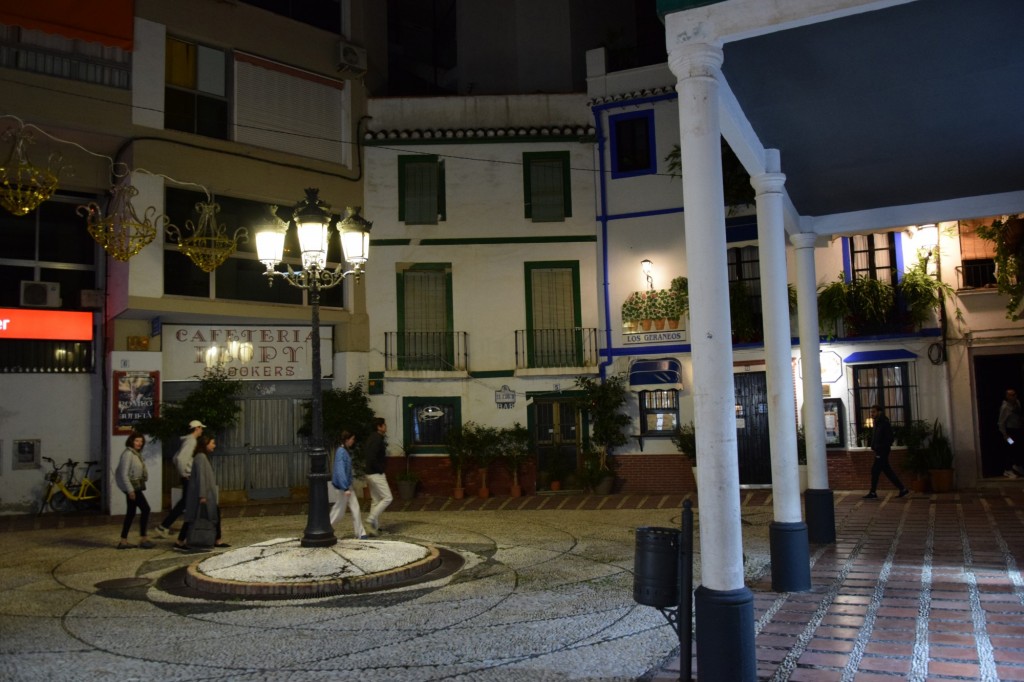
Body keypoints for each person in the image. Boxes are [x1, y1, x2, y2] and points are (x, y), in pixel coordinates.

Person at [174, 435, 229, 551]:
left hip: (205, 494)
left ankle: (216, 539)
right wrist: (202, 495)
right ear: (205, 444)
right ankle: (181, 541)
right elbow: (201, 477)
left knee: (210, 515)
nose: (214, 445)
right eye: (212, 443)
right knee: (193, 517)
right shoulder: (200, 458)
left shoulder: (202, 457)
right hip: (202, 495)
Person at [155, 419, 205, 536]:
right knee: (186, 502)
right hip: (189, 476)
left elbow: (175, 457)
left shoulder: (188, 440)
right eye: (201, 428)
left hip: (187, 476)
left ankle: (165, 526)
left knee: (185, 502)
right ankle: (164, 526)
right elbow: (180, 458)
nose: (202, 430)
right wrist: (185, 473)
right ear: (196, 428)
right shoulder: (191, 441)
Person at [115, 431, 155, 549]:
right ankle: (143, 538)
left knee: (131, 512)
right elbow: (123, 474)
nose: (139, 443)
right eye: (137, 440)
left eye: (141, 441)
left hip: (133, 486)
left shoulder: (135, 453)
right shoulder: (128, 454)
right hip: (132, 487)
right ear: (131, 441)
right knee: (146, 509)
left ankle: (123, 541)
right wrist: (130, 491)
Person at [863, 405, 909, 499]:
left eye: (874, 412)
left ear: (879, 412)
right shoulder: (877, 422)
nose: (872, 414)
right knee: (886, 471)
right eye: (871, 412)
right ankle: (902, 489)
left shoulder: (884, 423)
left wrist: (880, 447)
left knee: (875, 470)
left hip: (882, 451)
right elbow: (876, 436)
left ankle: (873, 492)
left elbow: (889, 438)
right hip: (879, 450)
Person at [330, 430, 368, 539]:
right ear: (347, 440)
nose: (353, 441)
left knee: (353, 508)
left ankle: (361, 532)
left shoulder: (342, 451)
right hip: (343, 487)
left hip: (345, 486)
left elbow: (341, 470)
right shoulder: (342, 452)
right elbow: (340, 470)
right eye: (352, 439)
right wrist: (345, 487)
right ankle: (328, 528)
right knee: (339, 511)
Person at [362, 417, 393, 534]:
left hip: (369, 473)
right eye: (384, 425)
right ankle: (370, 520)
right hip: (376, 473)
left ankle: (373, 528)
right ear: (379, 427)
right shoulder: (378, 439)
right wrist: (380, 469)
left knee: (375, 500)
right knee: (388, 498)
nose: (386, 427)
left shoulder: (371, 438)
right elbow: (372, 457)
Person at [998, 388, 1023, 478]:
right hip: (1010, 431)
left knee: (1018, 448)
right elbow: (1001, 422)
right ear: (1007, 396)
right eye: (1011, 395)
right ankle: (1007, 470)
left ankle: (1017, 466)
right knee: (1010, 448)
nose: (1013, 397)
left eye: (1014, 394)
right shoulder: (1005, 407)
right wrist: (1005, 435)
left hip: (1018, 430)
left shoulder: (1017, 403)